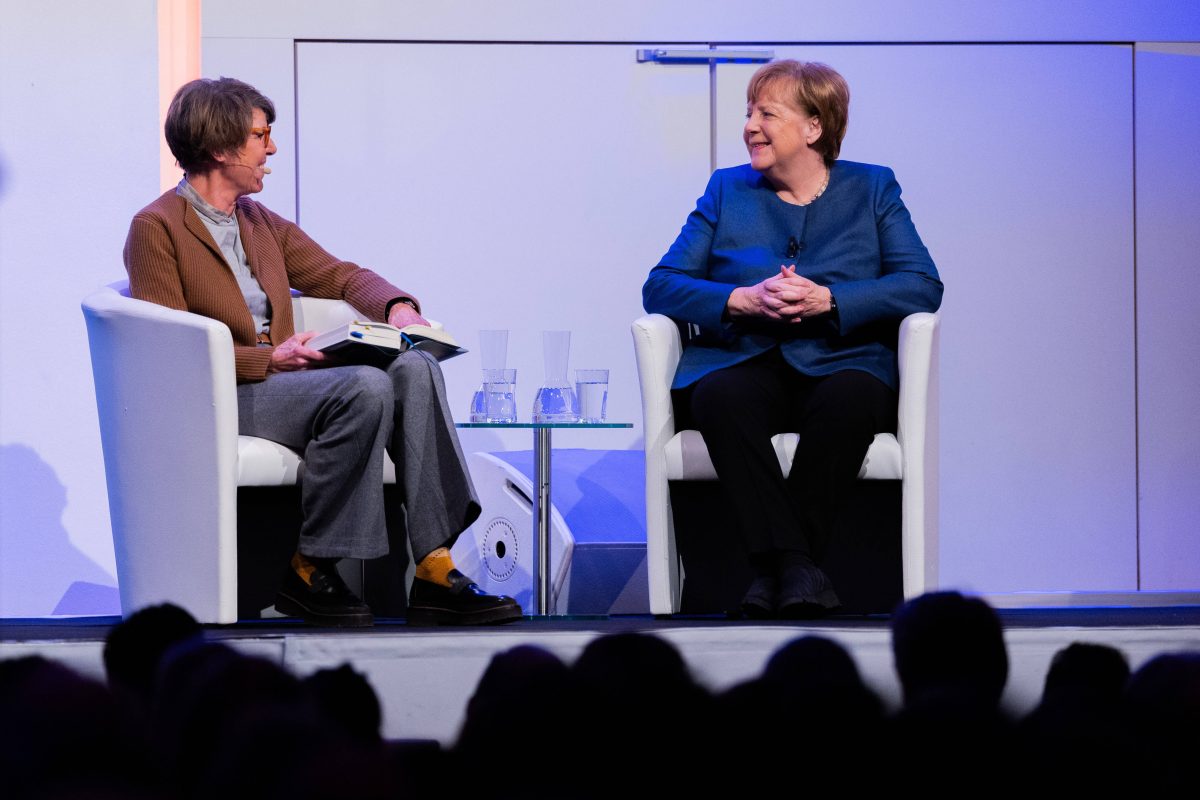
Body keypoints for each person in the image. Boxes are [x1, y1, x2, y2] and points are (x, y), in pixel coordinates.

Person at [124, 77, 520, 627]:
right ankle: (310, 567)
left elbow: (340, 275)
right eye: (261, 136)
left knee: (415, 367)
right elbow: (167, 354)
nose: (272, 148)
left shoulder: (260, 223)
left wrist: (398, 310)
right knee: (365, 384)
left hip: (286, 385)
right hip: (222, 394)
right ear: (220, 148)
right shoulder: (156, 228)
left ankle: (433, 567)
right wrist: (267, 360)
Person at [642, 60, 943, 618]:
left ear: (813, 127)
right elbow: (661, 285)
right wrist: (739, 300)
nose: (750, 126)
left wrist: (830, 300)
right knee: (717, 398)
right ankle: (798, 570)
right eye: (748, 113)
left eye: (766, 113)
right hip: (746, 356)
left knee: (851, 400)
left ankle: (771, 572)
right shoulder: (728, 188)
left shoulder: (872, 188)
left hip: (843, 358)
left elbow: (922, 284)